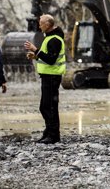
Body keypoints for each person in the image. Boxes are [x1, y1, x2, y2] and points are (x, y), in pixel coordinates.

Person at [24, 14, 66, 144]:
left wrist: (35, 50)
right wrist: (36, 56)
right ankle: (49, 133)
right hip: (48, 76)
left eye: (41, 23)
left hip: (52, 77)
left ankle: (53, 135)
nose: (39, 25)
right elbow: (47, 56)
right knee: (46, 106)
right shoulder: (49, 38)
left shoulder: (54, 39)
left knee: (49, 107)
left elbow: (51, 60)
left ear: (48, 25)